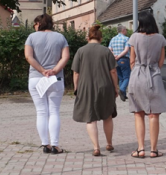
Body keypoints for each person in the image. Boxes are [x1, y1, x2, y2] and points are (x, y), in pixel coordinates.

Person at [24, 14, 70, 154]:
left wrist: (42, 70)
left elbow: (28, 56)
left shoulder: (31, 37)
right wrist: (54, 70)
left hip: (36, 78)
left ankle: (45, 144)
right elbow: (66, 57)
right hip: (55, 79)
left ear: (39, 23)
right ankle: (55, 145)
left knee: (41, 111)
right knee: (54, 111)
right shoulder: (60, 37)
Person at [72, 25, 119, 156]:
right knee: (107, 116)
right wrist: (115, 87)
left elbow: (76, 73)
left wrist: (76, 88)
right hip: (105, 86)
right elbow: (113, 71)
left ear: (88, 37)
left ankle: (96, 147)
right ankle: (109, 143)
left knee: (90, 118)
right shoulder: (106, 51)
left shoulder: (81, 51)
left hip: (86, 87)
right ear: (100, 38)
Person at [128, 11, 166, 158]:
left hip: (137, 75)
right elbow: (161, 62)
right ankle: (153, 150)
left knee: (138, 113)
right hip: (154, 75)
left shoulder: (134, 37)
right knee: (154, 114)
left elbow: (132, 60)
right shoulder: (161, 39)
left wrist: (137, 71)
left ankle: (140, 149)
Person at [109, 24, 131, 102]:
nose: (126, 31)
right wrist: (119, 56)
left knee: (121, 77)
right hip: (124, 59)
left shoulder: (113, 39)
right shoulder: (126, 39)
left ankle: (123, 95)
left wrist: (115, 56)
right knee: (127, 77)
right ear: (123, 30)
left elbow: (109, 49)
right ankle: (122, 89)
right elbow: (126, 50)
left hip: (115, 60)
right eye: (126, 30)